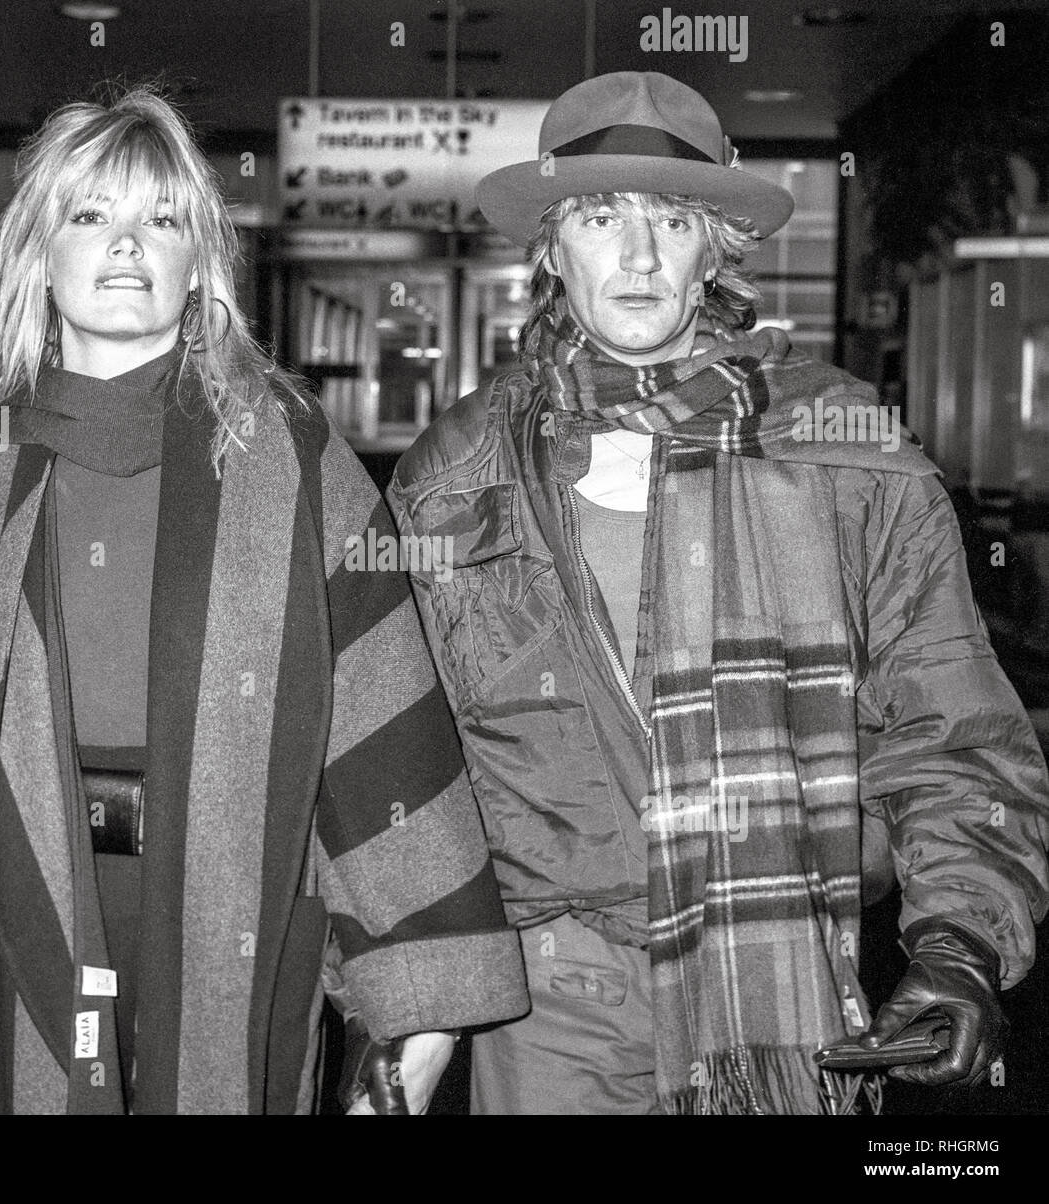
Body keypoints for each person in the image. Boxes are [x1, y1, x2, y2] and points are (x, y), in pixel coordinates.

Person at [0, 85, 527, 1115]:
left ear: (200, 264)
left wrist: (419, 1007)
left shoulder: (298, 474)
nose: (127, 244)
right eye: (91, 215)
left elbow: (380, 749)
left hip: (227, 947)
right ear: (37, 254)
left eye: (162, 218)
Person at [386, 71, 1049, 1115]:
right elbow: (406, 766)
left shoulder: (844, 453)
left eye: (673, 218)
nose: (639, 254)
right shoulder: (456, 473)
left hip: (787, 994)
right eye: (602, 216)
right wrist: (406, 1008)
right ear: (553, 247)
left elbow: (949, 720)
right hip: (549, 1006)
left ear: (717, 247)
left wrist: (960, 938)